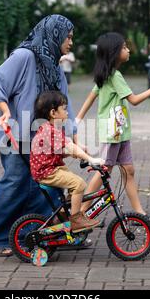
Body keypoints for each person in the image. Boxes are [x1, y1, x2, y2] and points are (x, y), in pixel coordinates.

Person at [0, 15, 90, 257]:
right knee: (15, 185)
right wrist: (5, 111)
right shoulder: (25, 56)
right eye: (68, 37)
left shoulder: (55, 66)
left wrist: (75, 137)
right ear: (54, 35)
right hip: (18, 138)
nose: (71, 42)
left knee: (45, 188)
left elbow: (64, 105)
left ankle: (44, 235)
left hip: (44, 141)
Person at [76, 32, 150, 225]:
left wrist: (78, 117)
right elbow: (134, 100)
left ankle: (139, 214)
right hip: (112, 133)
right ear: (115, 52)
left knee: (128, 170)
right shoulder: (114, 76)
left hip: (120, 132)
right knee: (104, 170)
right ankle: (79, 215)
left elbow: (91, 95)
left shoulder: (107, 74)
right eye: (124, 47)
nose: (128, 50)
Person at [30, 91, 104, 232]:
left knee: (74, 185)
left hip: (51, 168)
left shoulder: (51, 129)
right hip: (47, 172)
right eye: (64, 109)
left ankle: (62, 216)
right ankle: (75, 220)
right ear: (53, 112)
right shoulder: (51, 131)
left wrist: (75, 154)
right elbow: (71, 147)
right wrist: (91, 159)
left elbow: (61, 150)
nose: (67, 112)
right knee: (79, 184)